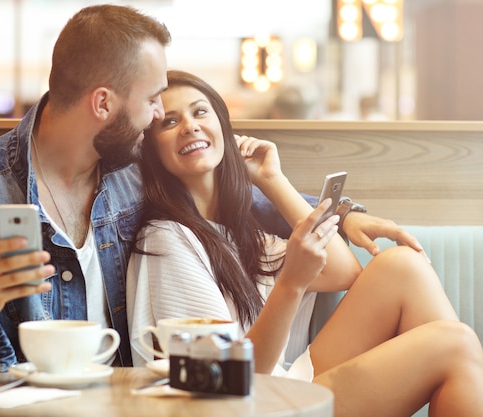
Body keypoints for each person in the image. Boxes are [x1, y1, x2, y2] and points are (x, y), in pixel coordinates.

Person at [0, 4, 425, 388]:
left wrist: (346, 213)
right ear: (103, 103)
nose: (156, 118)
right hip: (41, 406)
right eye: (153, 102)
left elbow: (234, 201)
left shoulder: (129, 171)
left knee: (417, 293)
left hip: (143, 402)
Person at [127, 70, 483, 416]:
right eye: (169, 122)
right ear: (152, 149)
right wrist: (291, 283)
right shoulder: (166, 239)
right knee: (456, 343)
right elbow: (225, 386)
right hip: (250, 402)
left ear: (224, 126)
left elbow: (343, 271)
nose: (190, 125)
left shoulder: (237, 228)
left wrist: (272, 179)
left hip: (283, 383)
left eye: (200, 111)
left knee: (402, 266)